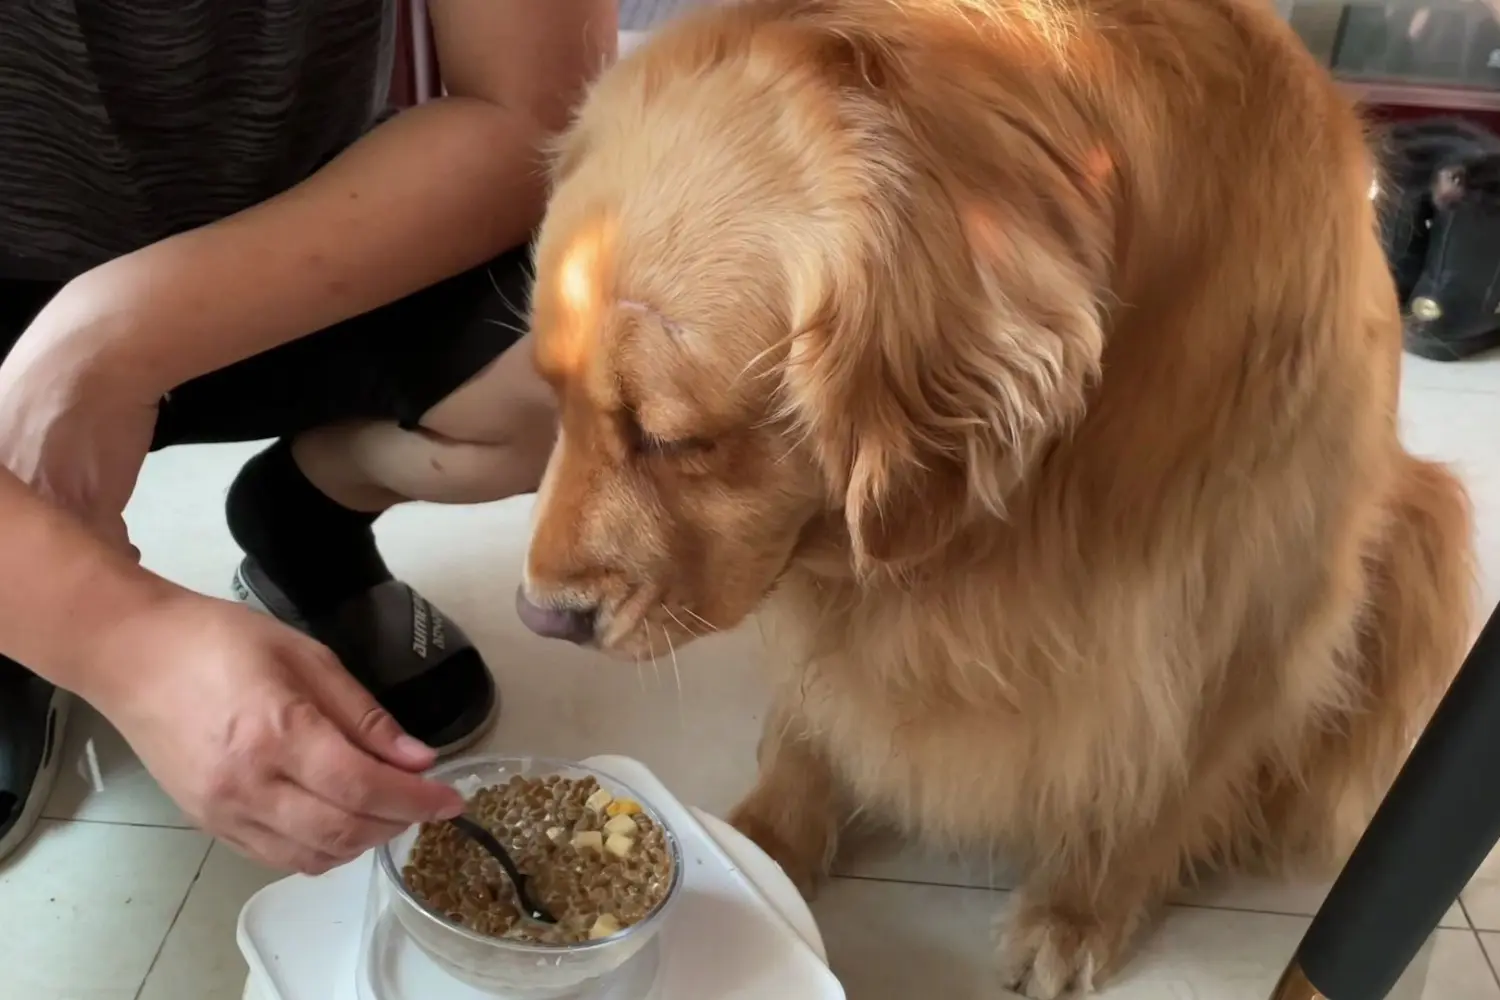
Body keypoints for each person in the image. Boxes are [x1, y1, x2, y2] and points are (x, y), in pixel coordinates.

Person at [0, 0, 615, 874]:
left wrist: (111, 341)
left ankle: (304, 513)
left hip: (315, 231)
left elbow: (537, 119)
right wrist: (115, 637)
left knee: (606, 358)